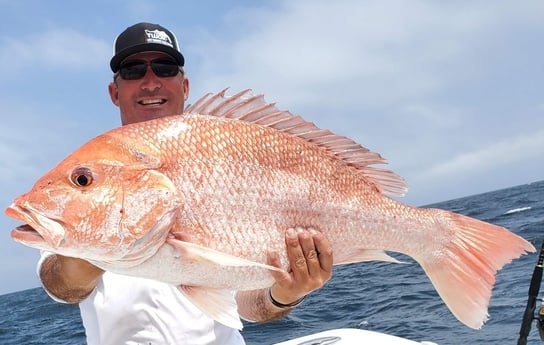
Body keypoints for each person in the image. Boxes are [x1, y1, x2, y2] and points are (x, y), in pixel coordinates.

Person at [37, 22, 333, 345]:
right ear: (114, 92)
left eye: (164, 67)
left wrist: (287, 293)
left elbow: (250, 308)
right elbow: (61, 285)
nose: (150, 82)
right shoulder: (92, 169)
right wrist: (97, 233)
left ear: (185, 86)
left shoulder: (227, 151)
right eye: (133, 69)